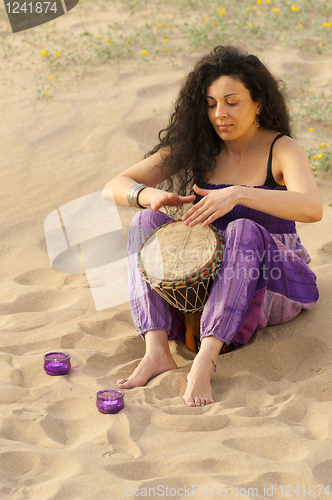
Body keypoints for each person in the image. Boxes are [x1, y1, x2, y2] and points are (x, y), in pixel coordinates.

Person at [102, 45, 322, 408]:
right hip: (211, 280)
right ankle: (156, 348)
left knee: (243, 229)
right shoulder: (200, 146)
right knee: (145, 221)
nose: (220, 114)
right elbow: (114, 185)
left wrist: (239, 195)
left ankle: (205, 359)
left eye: (232, 101)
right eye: (210, 103)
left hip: (273, 279)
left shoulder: (283, 149)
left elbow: (312, 208)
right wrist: (147, 196)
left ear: (259, 103)